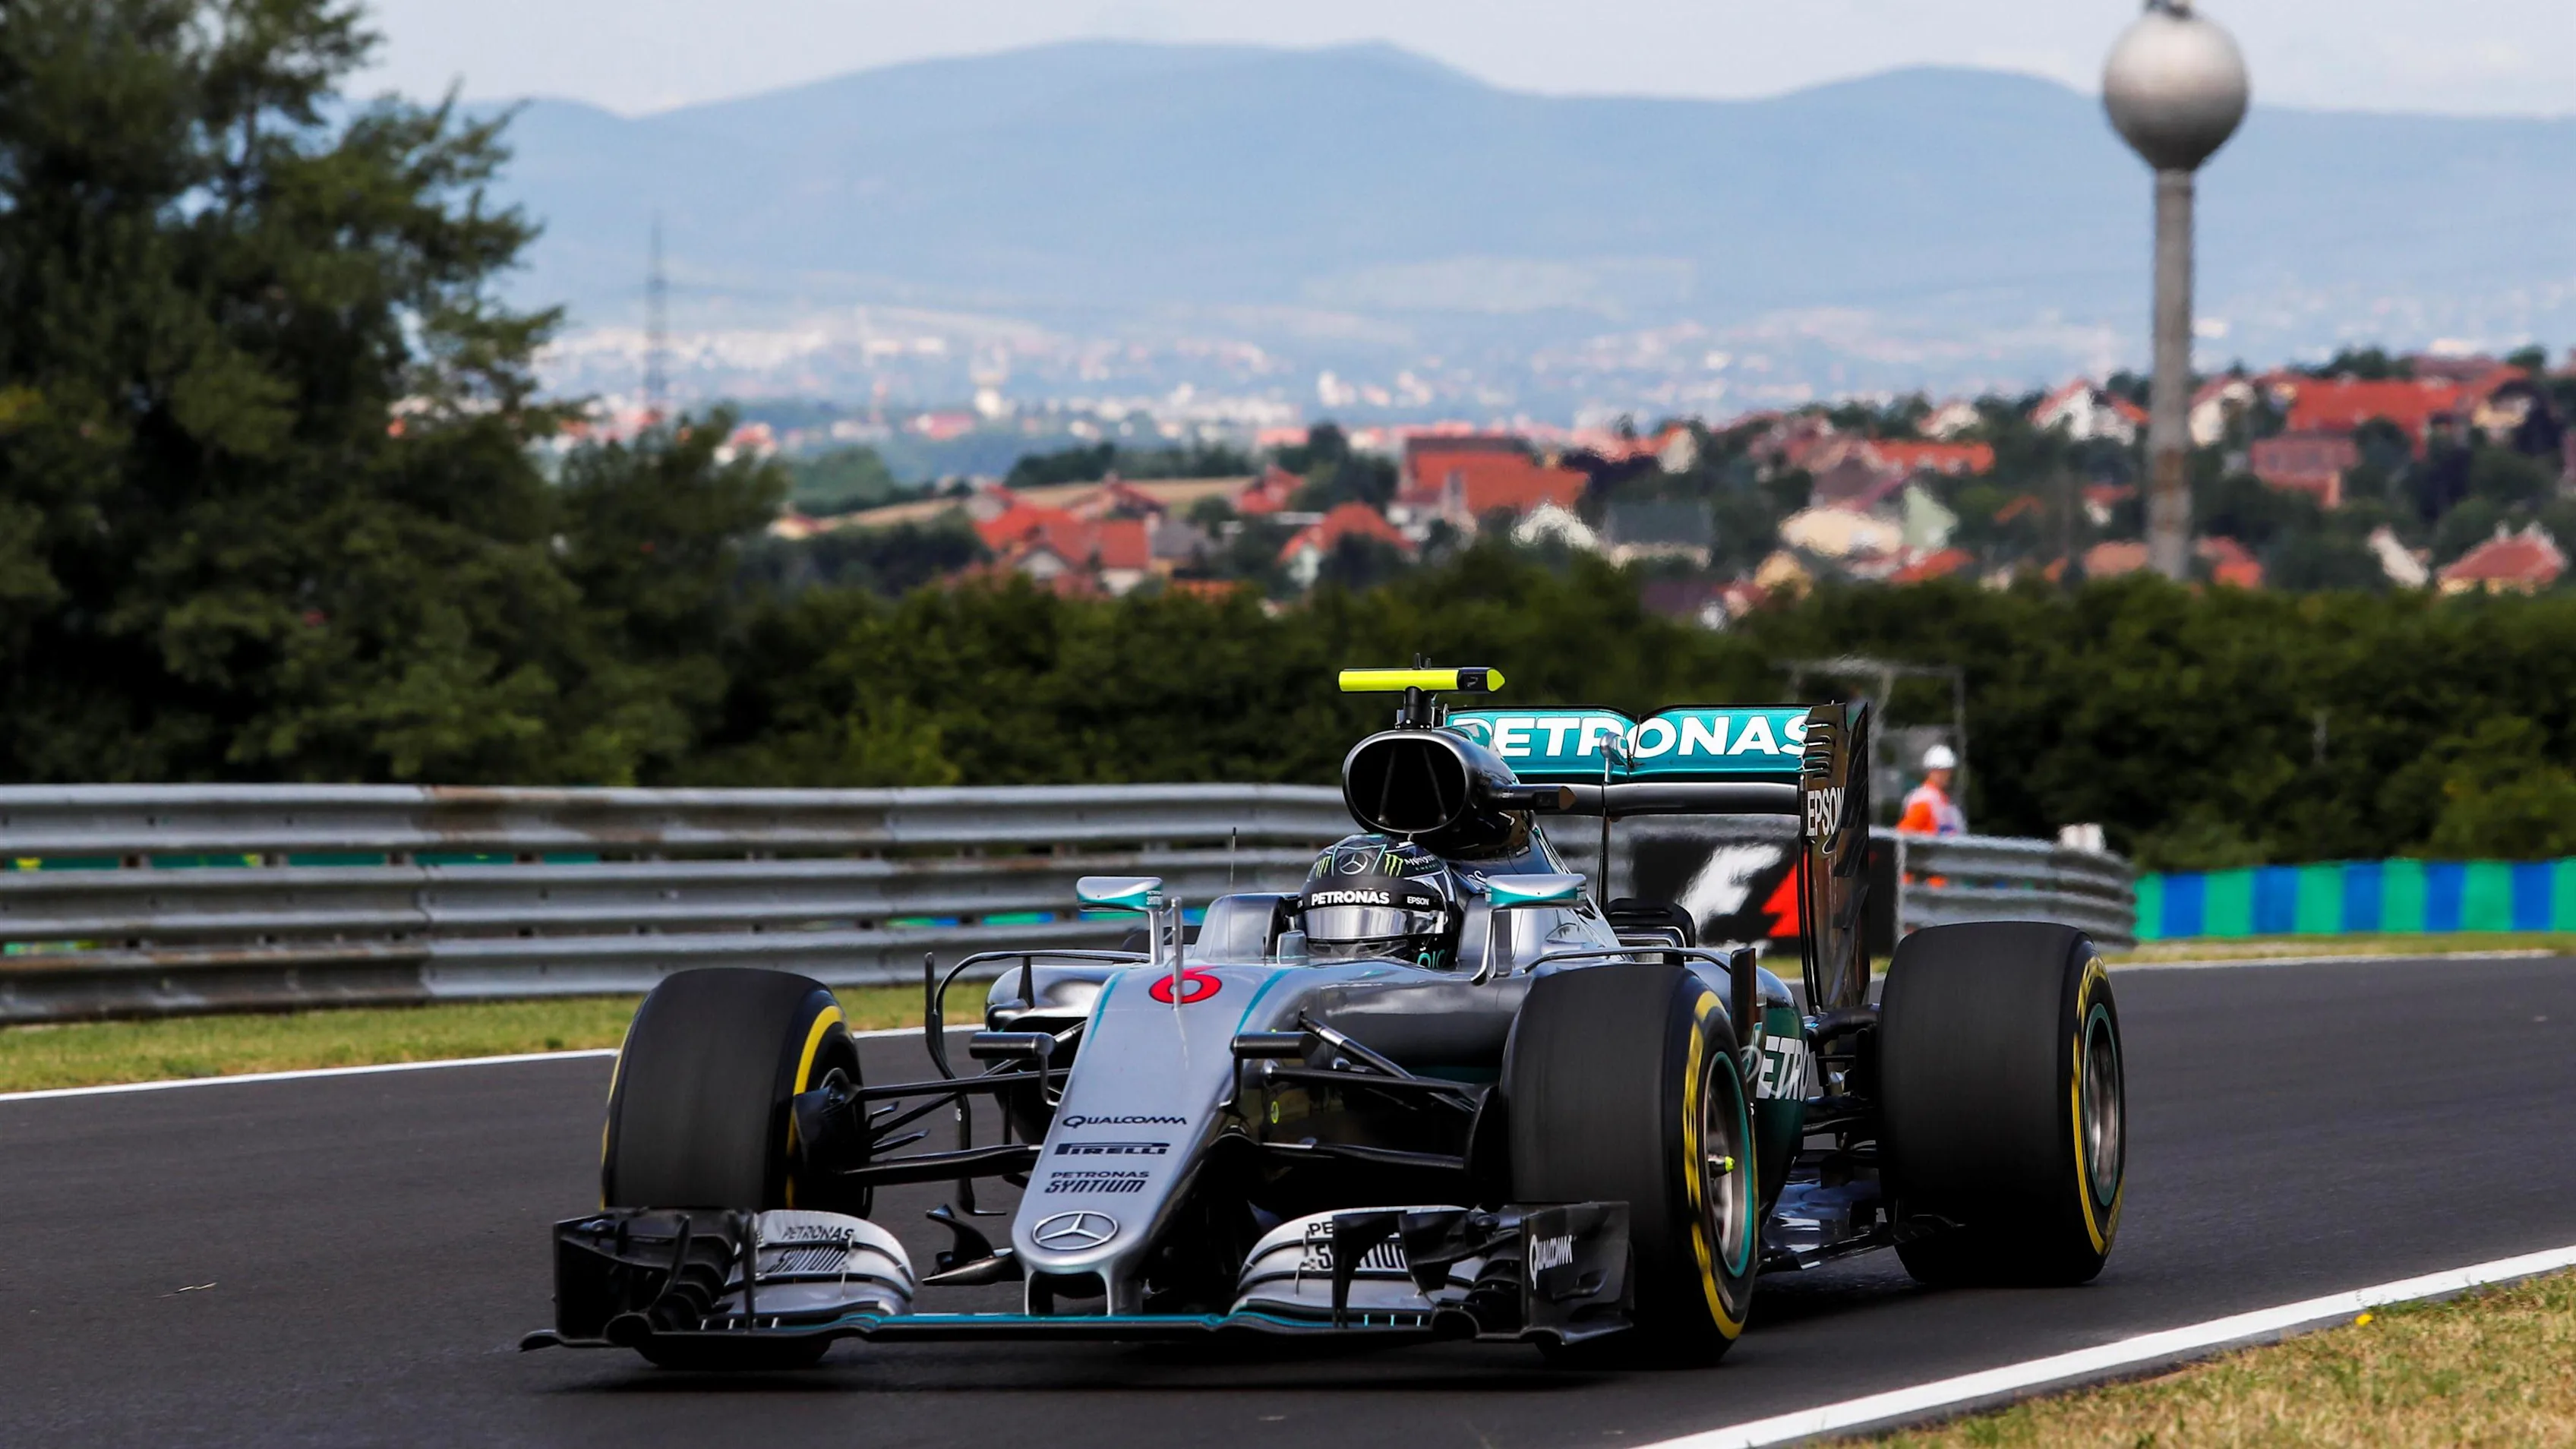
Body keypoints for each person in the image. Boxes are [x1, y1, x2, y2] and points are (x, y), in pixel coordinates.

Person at [1897, 743, 1968, 837]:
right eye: (1941, 771)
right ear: (1930, 772)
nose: (1946, 775)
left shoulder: (1945, 802)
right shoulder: (1924, 800)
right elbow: (1903, 834)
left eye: (1947, 771)